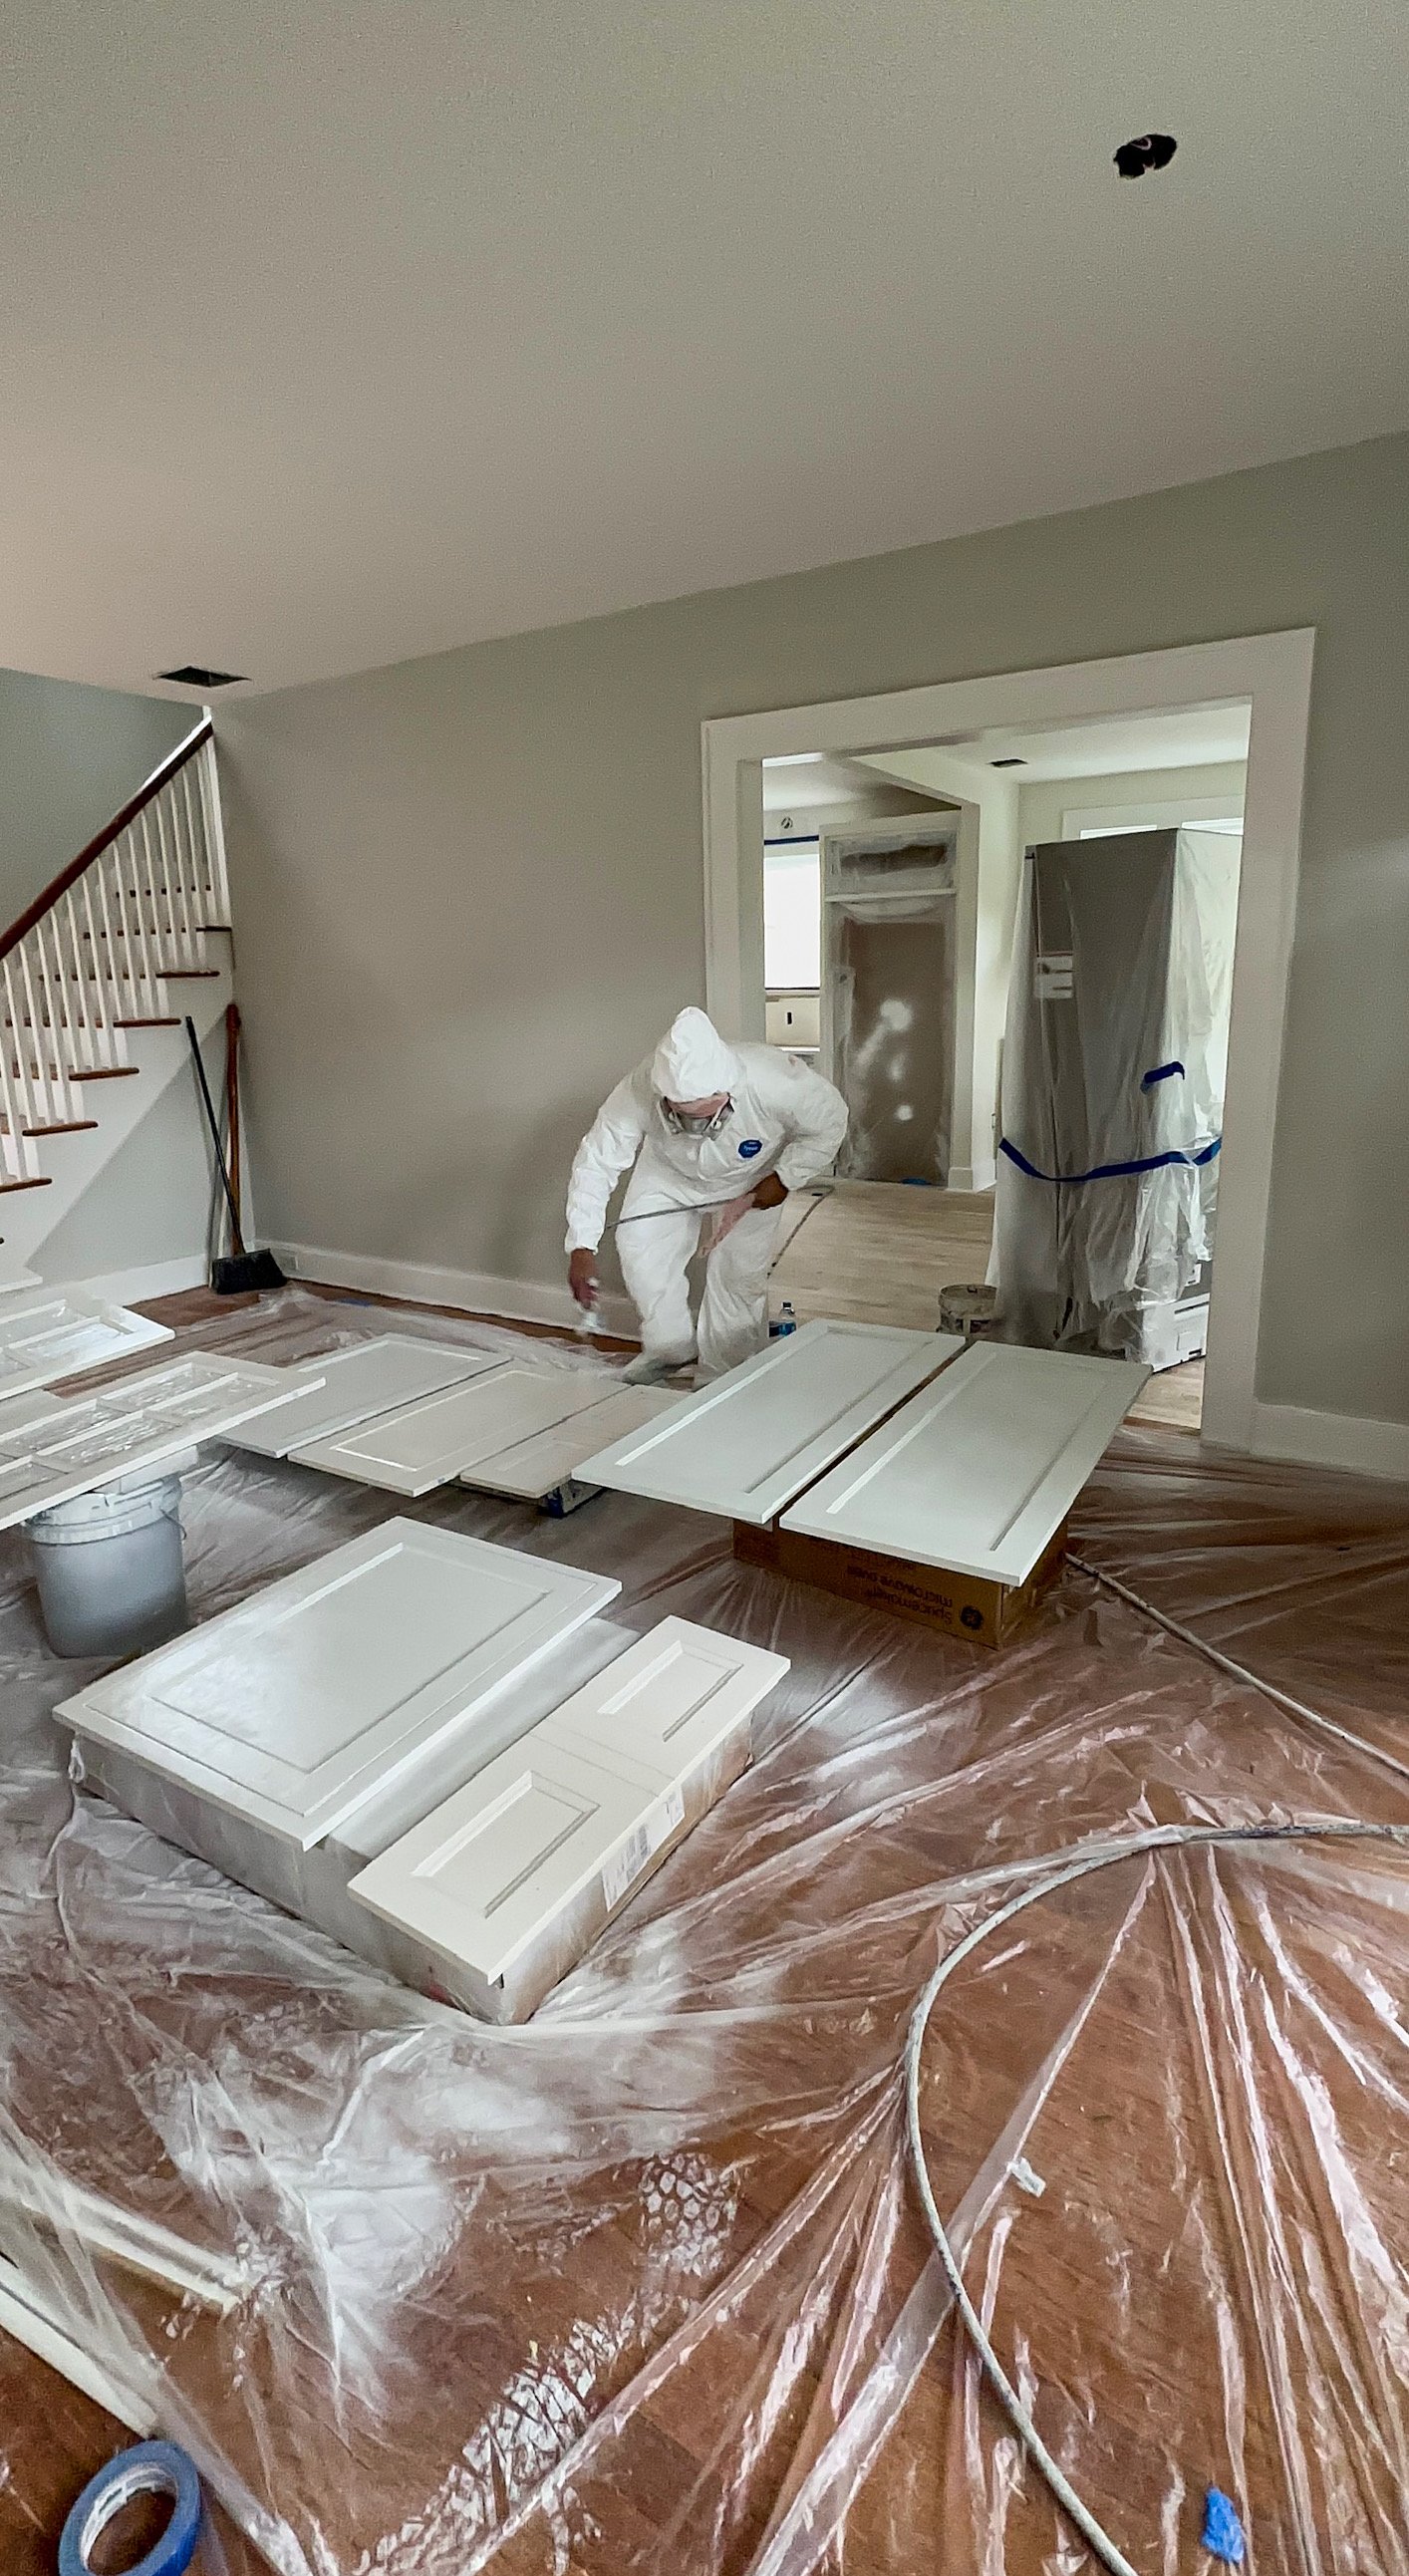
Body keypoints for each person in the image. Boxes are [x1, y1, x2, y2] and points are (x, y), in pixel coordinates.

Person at [566, 1006, 848, 1382]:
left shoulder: (774, 1081)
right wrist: (581, 1245)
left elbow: (830, 1121)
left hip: (751, 1178)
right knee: (639, 1249)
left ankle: (725, 1373)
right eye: (682, 1115)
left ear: (726, 1090)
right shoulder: (640, 1086)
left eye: (703, 1115)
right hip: (669, 1173)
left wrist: (783, 1179)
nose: (694, 1126)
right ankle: (671, 1349)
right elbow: (598, 1159)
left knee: (737, 1276)